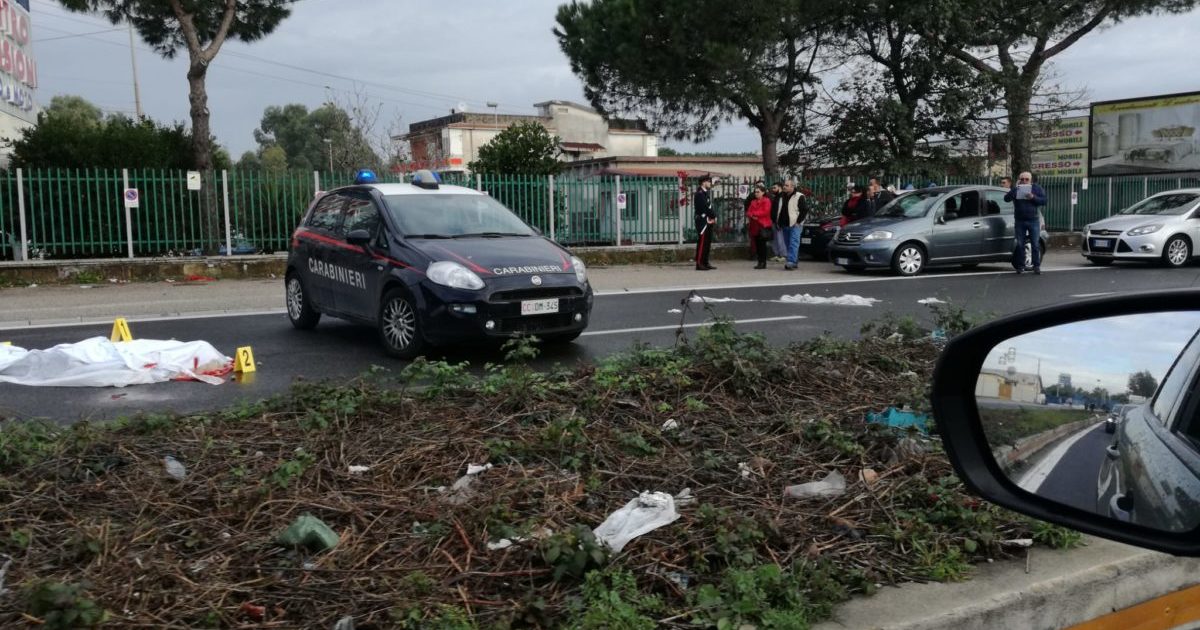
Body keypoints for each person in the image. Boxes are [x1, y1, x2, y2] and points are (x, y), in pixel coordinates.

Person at [1004, 171, 1047, 275]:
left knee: (1035, 244)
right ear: (1019, 180)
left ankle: (1036, 266)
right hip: (1020, 220)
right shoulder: (1016, 189)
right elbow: (1006, 199)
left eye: (1026, 179)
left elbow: (1044, 201)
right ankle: (1021, 266)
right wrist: (1015, 188)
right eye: (1022, 179)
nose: (1024, 181)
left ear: (1031, 180)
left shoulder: (1036, 188)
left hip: (1033, 220)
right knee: (1020, 244)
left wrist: (1033, 197)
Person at [775, 180, 809, 270]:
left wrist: (798, 222)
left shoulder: (799, 196)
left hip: (795, 224)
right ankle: (794, 261)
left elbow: (804, 210)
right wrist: (778, 222)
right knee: (788, 243)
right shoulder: (782, 196)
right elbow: (780, 210)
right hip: (785, 224)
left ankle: (791, 261)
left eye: (786, 185)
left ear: (792, 186)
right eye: (784, 185)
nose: (784, 187)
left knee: (793, 243)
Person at [745, 185, 773, 269]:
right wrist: (752, 215)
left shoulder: (766, 200)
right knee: (757, 244)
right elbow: (748, 212)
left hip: (762, 225)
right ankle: (759, 261)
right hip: (754, 225)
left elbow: (765, 211)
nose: (756, 193)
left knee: (762, 245)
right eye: (755, 192)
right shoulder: (753, 201)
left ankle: (763, 262)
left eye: (758, 192)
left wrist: (754, 214)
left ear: (763, 192)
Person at [694, 176, 717, 271]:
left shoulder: (705, 193)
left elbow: (709, 207)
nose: (710, 183)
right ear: (703, 182)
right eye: (709, 181)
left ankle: (705, 262)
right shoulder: (699, 194)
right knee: (702, 243)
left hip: (708, 220)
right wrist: (713, 215)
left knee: (707, 243)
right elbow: (705, 207)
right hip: (703, 221)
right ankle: (699, 263)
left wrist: (713, 216)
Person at [768, 183, 786, 261]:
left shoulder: (782, 197)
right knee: (775, 238)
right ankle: (777, 254)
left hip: (778, 221)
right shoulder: (776, 197)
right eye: (772, 188)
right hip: (774, 220)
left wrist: (779, 221)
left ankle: (783, 255)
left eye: (774, 188)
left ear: (780, 187)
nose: (773, 189)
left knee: (780, 238)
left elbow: (781, 210)